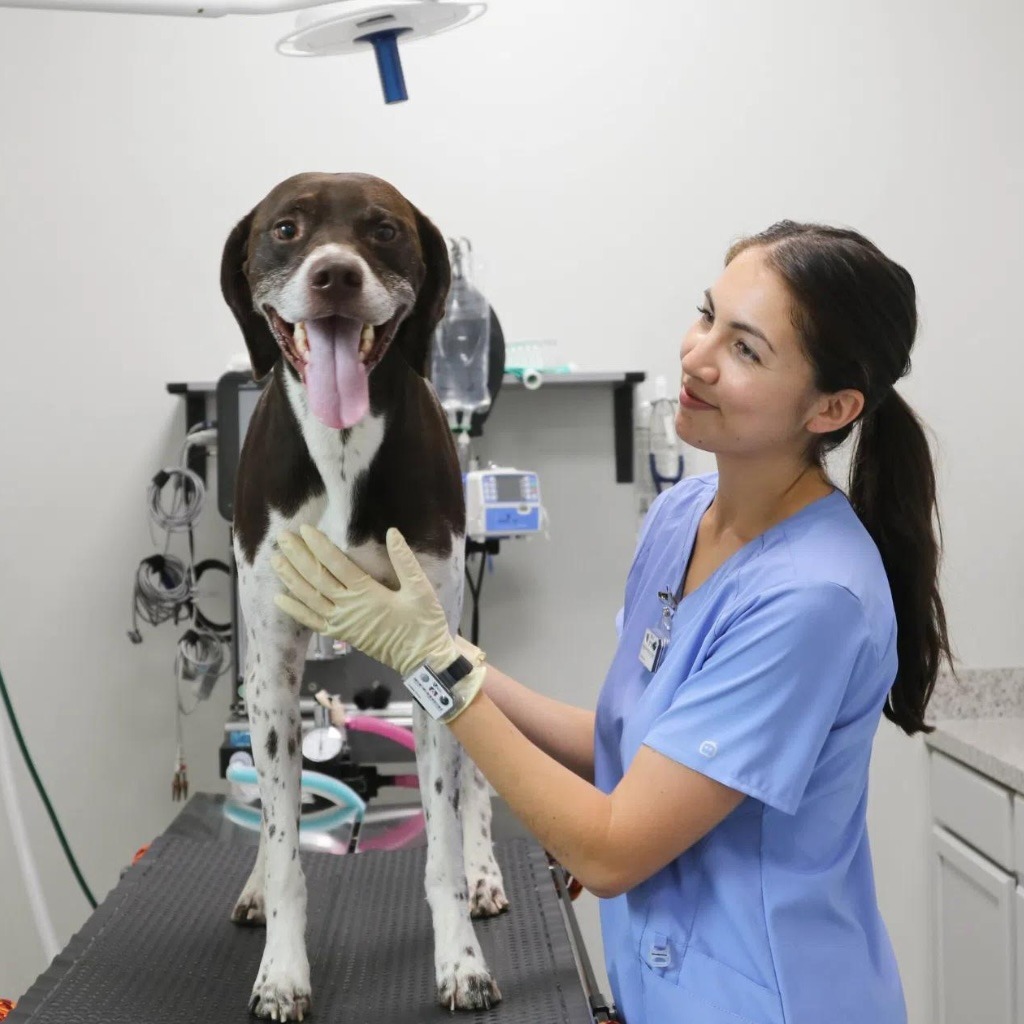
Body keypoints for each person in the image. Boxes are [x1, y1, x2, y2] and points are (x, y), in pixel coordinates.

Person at [270, 220, 952, 1024]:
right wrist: (448, 650)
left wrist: (433, 669)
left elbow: (610, 848)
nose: (696, 358)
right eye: (708, 316)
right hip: (660, 994)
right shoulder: (681, 516)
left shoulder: (813, 597)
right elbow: (628, 741)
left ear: (832, 405)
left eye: (746, 350)